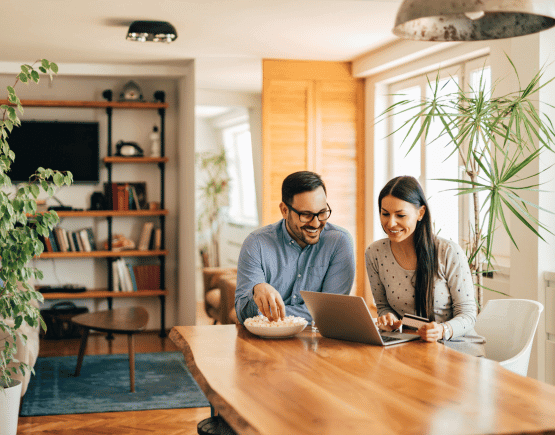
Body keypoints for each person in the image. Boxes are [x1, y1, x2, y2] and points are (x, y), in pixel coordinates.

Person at [365, 175, 485, 357]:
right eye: (385, 214)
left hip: (456, 348)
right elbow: (382, 305)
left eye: (400, 215)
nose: (390, 223)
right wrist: (389, 318)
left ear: (420, 213)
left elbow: (468, 315)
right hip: (410, 347)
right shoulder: (375, 253)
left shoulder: (448, 252)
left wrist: (442, 330)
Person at [235, 171, 355, 323]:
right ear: (285, 210)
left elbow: (331, 312)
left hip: (318, 342)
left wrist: (268, 314)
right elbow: (242, 312)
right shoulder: (256, 244)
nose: (316, 223)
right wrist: (256, 290)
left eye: (322, 212)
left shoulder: (339, 242)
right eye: (306, 215)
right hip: (265, 340)